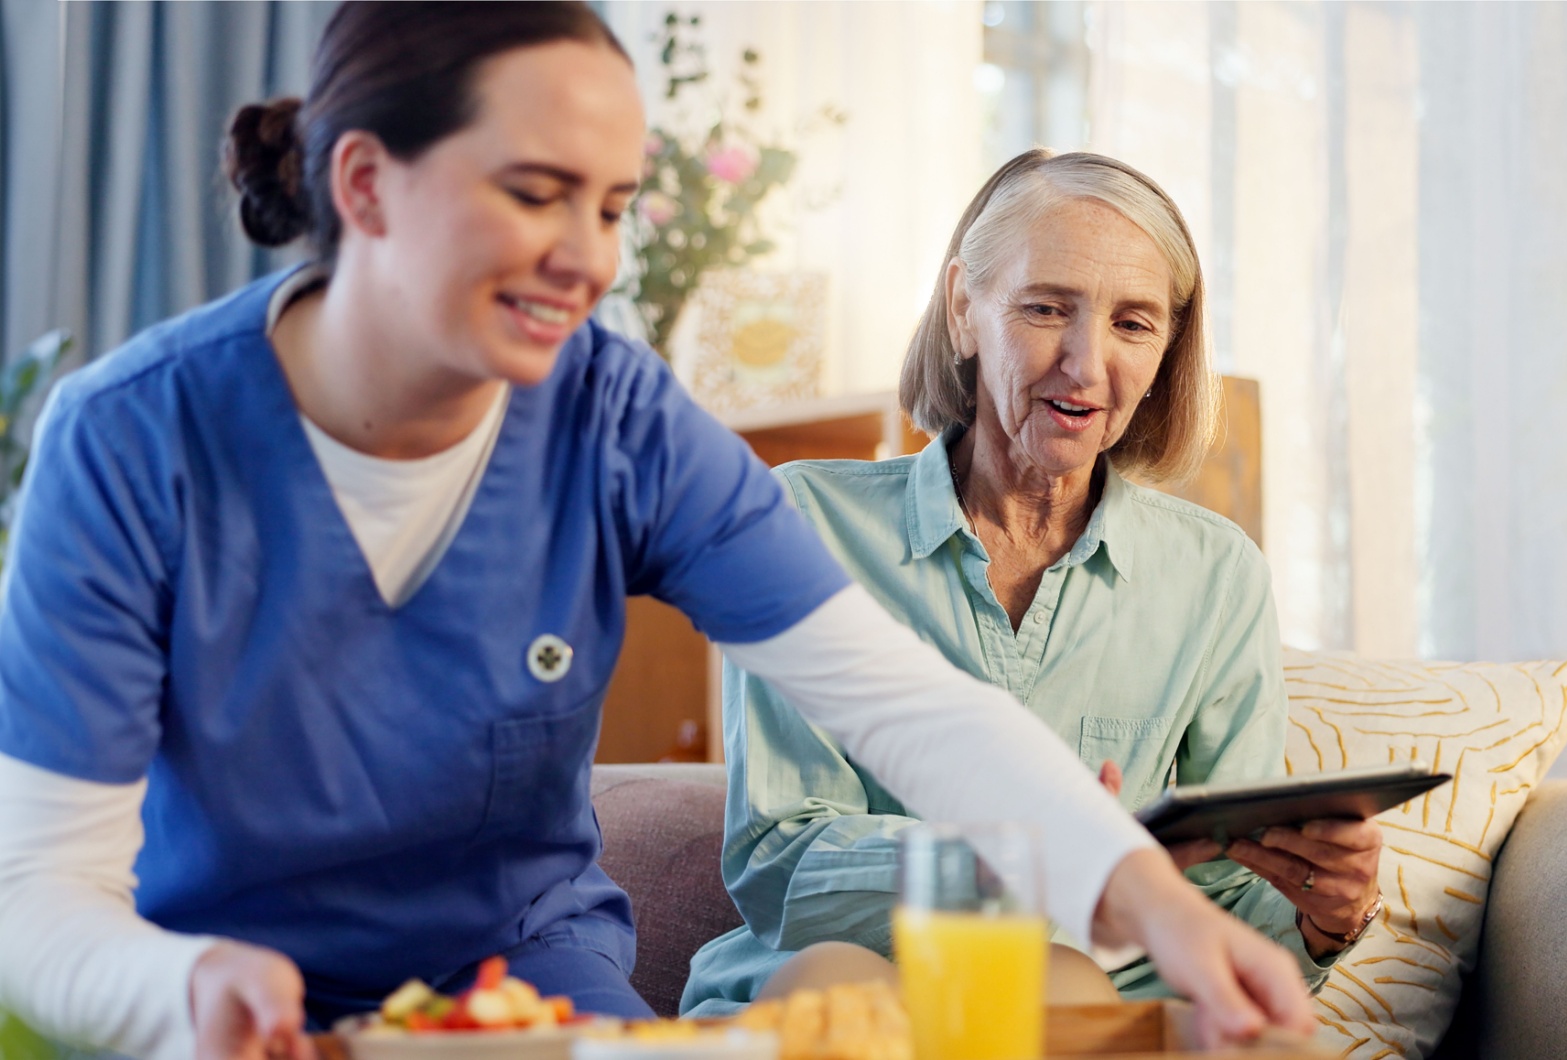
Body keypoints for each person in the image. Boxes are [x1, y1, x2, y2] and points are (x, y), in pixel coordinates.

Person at [0, 10, 1314, 1060]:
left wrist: (1148, 904)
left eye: (615, 206)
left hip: (534, 1006)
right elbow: (40, 890)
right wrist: (182, 992)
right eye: (537, 192)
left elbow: (905, 703)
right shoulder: (129, 443)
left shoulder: (615, 419)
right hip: (222, 1006)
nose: (589, 258)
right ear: (367, 184)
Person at [682, 150, 1385, 1017]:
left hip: (1077, 1005)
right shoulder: (806, 521)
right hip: (834, 986)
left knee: (1066, 987)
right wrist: (1031, 856)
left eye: (1134, 323)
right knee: (842, 988)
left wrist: (1324, 922)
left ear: (1168, 348)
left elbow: (1225, 902)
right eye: (1047, 308)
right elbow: (781, 859)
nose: (1085, 365)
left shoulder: (1214, 575)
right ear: (963, 310)